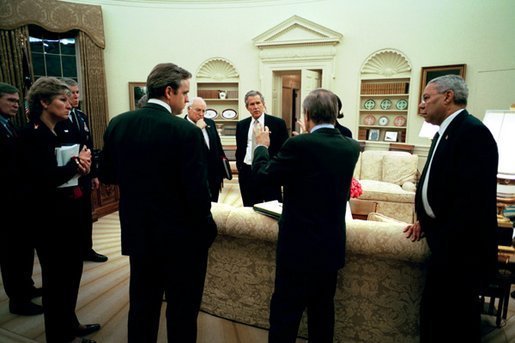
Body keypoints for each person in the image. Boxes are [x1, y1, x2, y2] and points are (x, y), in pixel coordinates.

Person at [99, 63, 217, 343]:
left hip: (138, 232)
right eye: (185, 93)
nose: (187, 100)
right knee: (182, 310)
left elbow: (107, 175)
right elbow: (198, 194)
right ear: (168, 91)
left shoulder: (118, 123)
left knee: (142, 305)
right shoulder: (185, 132)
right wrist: (207, 229)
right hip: (182, 238)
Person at [252, 88, 360, 342]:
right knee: (322, 315)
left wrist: (261, 147)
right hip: (330, 248)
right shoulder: (351, 147)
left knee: (285, 316)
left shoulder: (299, 144)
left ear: (307, 114)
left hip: (297, 249)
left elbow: (263, 176)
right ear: (335, 115)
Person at [404, 74, 498, 342]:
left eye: (426, 98)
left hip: (460, 252)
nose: (421, 106)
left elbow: (470, 200)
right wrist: (426, 220)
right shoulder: (445, 132)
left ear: (448, 97)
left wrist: (441, 233)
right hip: (444, 243)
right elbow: (441, 185)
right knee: (436, 319)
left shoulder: (472, 132)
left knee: (454, 324)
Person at [18, 77, 99, 343]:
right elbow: (44, 180)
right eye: (62, 100)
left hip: (68, 215)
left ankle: (69, 323)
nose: (69, 105)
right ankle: (59, 335)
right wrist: (76, 166)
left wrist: (81, 166)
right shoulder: (31, 134)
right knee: (56, 281)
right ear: (44, 101)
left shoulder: (59, 129)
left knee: (71, 275)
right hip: (49, 221)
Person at [0, 82, 43, 316]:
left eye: (18, 101)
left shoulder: (11, 126)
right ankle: (17, 300)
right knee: (11, 255)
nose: (16, 105)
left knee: (23, 251)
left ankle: (27, 288)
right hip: (6, 203)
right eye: (11, 100)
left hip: (20, 201)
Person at [55, 78, 108, 263]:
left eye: (78, 92)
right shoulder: (55, 118)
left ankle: (87, 249)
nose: (76, 96)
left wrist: (93, 174)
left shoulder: (81, 116)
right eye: (72, 92)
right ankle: (71, 252)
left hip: (84, 174)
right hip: (66, 176)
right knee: (69, 217)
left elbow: (89, 145)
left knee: (85, 214)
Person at [235, 90, 288, 206]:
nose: (256, 107)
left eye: (258, 103)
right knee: (249, 209)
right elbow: (240, 150)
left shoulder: (278, 123)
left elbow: (283, 151)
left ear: (263, 104)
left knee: (272, 208)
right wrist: (241, 167)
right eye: (252, 104)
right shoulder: (241, 125)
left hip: (269, 172)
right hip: (247, 172)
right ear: (247, 107)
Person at [185, 97, 228, 202]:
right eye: (198, 110)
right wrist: (197, 129)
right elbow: (185, 150)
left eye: (204, 111)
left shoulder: (210, 123)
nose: (201, 114)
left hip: (214, 176)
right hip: (195, 177)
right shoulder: (182, 126)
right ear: (189, 109)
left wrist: (221, 172)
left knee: (214, 206)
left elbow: (218, 146)